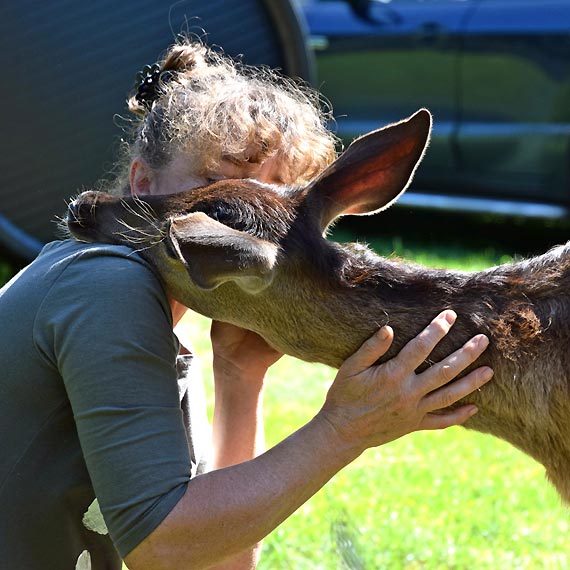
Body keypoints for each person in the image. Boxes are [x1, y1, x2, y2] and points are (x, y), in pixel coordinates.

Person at [0, 39, 493, 570]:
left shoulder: (162, 309)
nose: (246, 224)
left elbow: (216, 561)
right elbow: (163, 546)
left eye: (275, 200)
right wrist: (345, 428)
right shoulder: (106, 283)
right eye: (217, 188)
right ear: (143, 183)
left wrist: (240, 377)